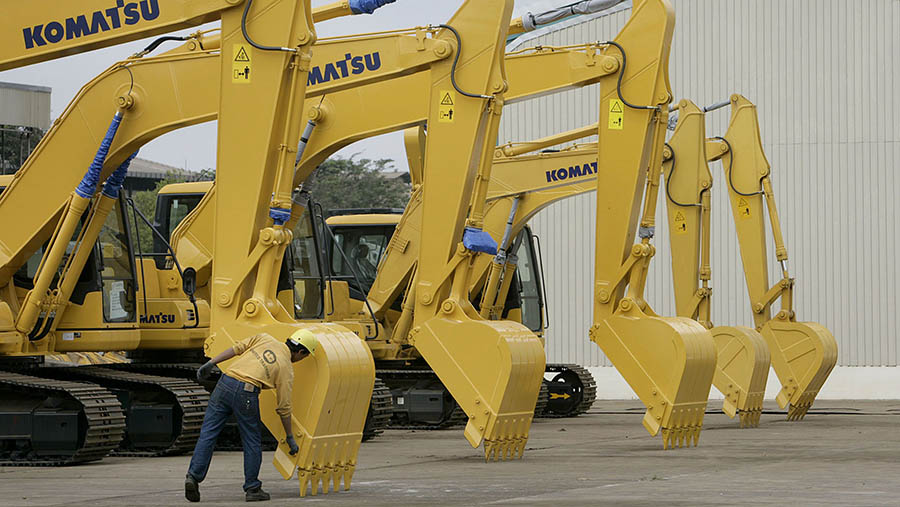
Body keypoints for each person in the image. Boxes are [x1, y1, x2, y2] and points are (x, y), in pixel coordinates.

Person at [184, 329, 319, 502]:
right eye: (304, 357)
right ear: (301, 352)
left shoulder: (265, 337)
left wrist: (211, 363)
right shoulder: (286, 368)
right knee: (251, 440)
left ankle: (193, 477)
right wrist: (290, 436)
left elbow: (237, 348)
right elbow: (284, 407)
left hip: (224, 383)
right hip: (246, 392)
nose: (301, 360)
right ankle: (253, 488)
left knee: (208, 433)